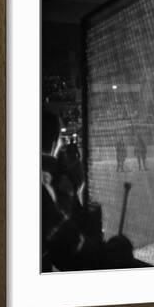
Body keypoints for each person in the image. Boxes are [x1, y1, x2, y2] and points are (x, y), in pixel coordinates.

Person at [41, 109, 102, 271]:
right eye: (61, 138)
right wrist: (77, 190)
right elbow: (72, 250)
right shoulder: (46, 187)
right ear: (54, 143)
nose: (63, 144)